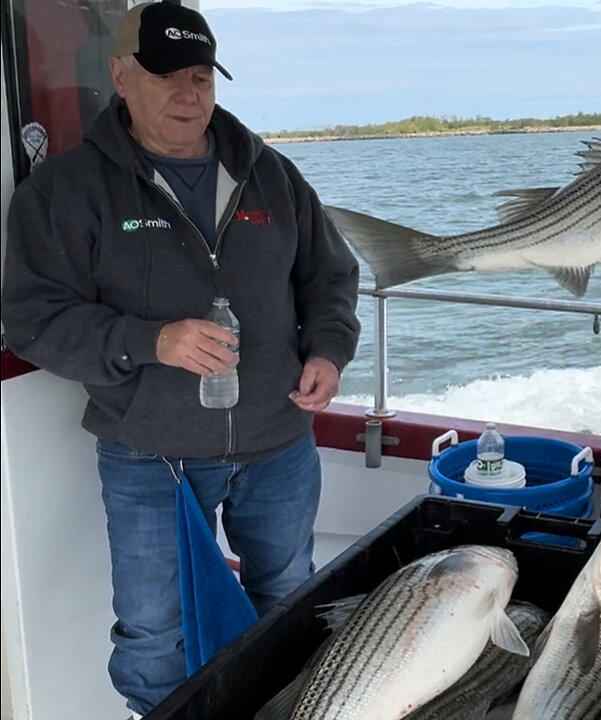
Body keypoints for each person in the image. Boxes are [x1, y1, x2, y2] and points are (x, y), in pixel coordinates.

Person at [0, 1, 362, 714]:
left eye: (200, 75)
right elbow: (34, 318)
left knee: (290, 598)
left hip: (278, 440)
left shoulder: (272, 175)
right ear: (119, 76)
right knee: (153, 637)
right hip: (150, 455)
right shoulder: (65, 192)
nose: (186, 93)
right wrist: (151, 341)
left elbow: (330, 277)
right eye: (164, 74)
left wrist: (328, 349)